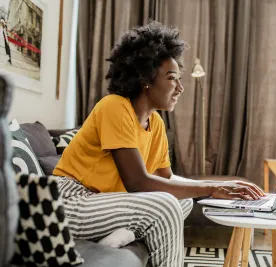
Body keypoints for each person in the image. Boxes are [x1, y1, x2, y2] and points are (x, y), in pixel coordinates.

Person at [53, 21, 264, 267]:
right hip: (69, 201)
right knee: (164, 206)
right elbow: (137, 182)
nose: (180, 88)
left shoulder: (156, 124)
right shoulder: (115, 106)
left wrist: (219, 186)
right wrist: (209, 188)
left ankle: (122, 232)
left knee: (181, 201)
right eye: (172, 78)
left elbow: (167, 178)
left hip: (104, 201)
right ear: (145, 79)